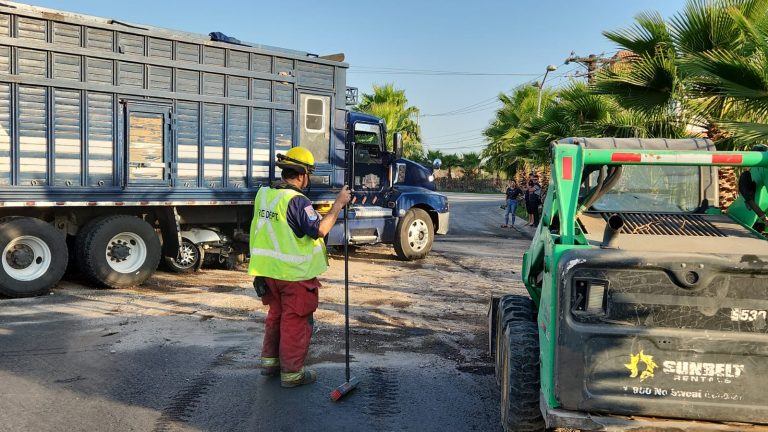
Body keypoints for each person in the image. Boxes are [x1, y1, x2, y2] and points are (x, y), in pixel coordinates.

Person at [249, 146, 352, 388]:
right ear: (303, 175)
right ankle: (293, 374)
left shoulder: (264, 193)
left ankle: (270, 363)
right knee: (295, 321)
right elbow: (319, 230)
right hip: (293, 275)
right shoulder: (297, 200)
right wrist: (338, 204)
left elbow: (284, 223)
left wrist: (317, 212)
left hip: (267, 271)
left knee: (276, 316)